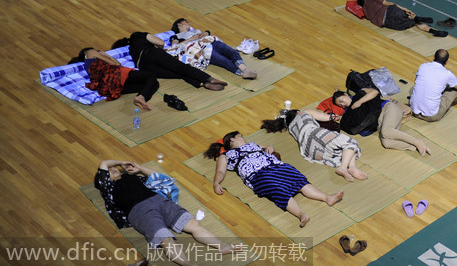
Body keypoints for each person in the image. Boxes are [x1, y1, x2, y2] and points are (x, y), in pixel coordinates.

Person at [95, 160, 241, 266]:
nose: (114, 169)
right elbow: (103, 163)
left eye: (116, 167)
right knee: (165, 239)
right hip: (139, 211)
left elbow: (159, 178)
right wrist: (121, 161)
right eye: (110, 170)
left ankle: (221, 246)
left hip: (159, 201)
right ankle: (187, 264)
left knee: (193, 224)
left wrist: (140, 169)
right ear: (104, 179)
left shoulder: (131, 177)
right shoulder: (108, 188)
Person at [205, 132, 344, 227]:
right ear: (232, 140)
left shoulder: (252, 145)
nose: (244, 138)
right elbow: (220, 170)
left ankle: (327, 198)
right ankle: (301, 214)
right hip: (258, 175)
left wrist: (270, 147)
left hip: (276, 166)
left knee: (299, 180)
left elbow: (267, 147)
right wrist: (216, 182)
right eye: (241, 136)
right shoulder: (227, 155)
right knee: (278, 190)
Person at [261, 109, 368, 181]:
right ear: (297, 112)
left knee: (342, 151)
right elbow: (325, 117)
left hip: (308, 149)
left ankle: (351, 167)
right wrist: (331, 117)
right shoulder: (302, 113)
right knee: (350, 142)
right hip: (315, 134)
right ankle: (345, 167)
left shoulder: (290, 128)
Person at [112, 32, 227, 91]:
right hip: (151, 53)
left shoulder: (132, 50)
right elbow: (160, 43)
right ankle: (209, 78)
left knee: (178, 74)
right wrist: (160, 50)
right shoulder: (137, 35)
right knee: (181, 68)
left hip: (145, 67)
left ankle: (203, 84)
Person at [334, 89, 432, 155]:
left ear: (345, 95)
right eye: (340, 104)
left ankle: (417, 141)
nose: (342, 104)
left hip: (388, 109)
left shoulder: (360, 93)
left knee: (386, 131)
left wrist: (359, 102)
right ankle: (415, 147)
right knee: (386, 143)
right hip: (381, 122)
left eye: (341, 100)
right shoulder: (348, 113)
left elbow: (375, 92)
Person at [69, 47, 159, 110]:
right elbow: (116, 65)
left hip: (112, 86)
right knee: (151, 76)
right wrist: (103, 54)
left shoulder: (90, 65)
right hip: (117, 75)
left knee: (153, 84)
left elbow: (118, 64)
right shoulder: (89, 53)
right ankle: (141, 97)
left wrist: (105, 55)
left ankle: (141, 98)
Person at [169, 18, 257, 79]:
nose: (189, 23)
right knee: (223, 60)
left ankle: (245, 70)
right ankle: (242, 73)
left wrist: (206, 33)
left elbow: (207, 33)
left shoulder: (196, 31)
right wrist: (192, 39)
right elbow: (175, 47)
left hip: (210, 41)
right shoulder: (175, 36)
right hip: (200, 48)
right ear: (179, 24)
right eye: (186, 21)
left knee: (232, 52)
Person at [409, 49, 457, 122]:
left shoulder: (422, 66)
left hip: (413, 109)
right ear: (446, 62)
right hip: (431, 115)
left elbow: (417, 80)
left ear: (433, 57)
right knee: (456, 92)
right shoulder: (447, 74)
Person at [357, 0, 448, 37]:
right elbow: (389, 3)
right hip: (390, 12)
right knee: (412, 18)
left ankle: (430, 29)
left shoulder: (365, 11)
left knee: (412, 22)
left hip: (392, 25)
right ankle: (428, 28)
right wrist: (405, 9)